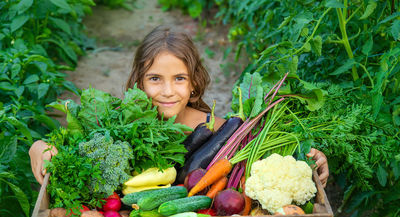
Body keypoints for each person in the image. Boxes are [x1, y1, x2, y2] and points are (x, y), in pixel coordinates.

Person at [29, 25, 329, 187]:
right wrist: (39, 146)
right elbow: (73, 146)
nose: (168, 91)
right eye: (155, 78)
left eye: (180, 78)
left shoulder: (224, 131)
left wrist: (307, 157)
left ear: (195, 83)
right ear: (139, 83)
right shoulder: (117, 125)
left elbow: (270, 157)